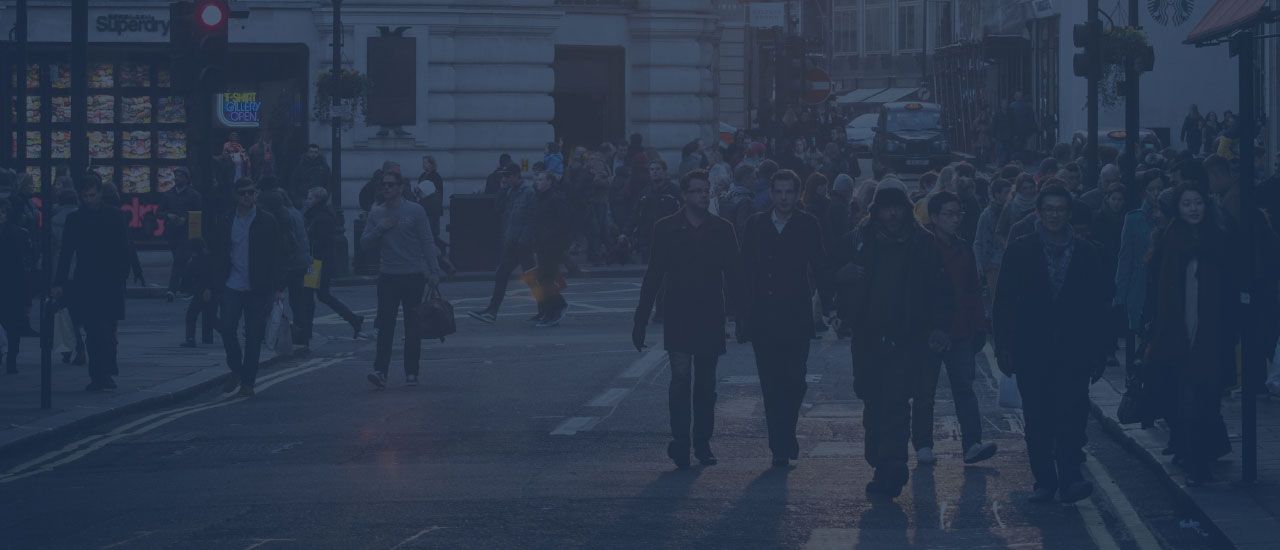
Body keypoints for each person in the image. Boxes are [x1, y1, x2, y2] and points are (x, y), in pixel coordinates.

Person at [828, 183, 952, 498]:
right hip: (867, 335)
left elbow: (939, 288)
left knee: (896, 402)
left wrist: (939, 327)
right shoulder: (859, 239)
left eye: (897, 208)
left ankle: (893, 465)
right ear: (877, 211)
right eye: (886, 208)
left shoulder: (923, 243)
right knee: (872, 397)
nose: (892, 214)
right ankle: (879, 457)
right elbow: (828, 269)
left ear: (907, 210)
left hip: (907, 336)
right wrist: (840, 278)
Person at [993, 185, 1111, 504]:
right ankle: (1044, 480)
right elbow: (1004, 301)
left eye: (1060, 209)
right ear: (1039, 212)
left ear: (1068, 213)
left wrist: (1100, 350)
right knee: (1038, 416)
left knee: (1072, 414)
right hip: (1032, 348)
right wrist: (1003, 345)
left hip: (1075, 350)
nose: (1054, 215)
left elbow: (1099, 305)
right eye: (1049, 209)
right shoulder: (1021, 250)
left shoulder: (1087, 253)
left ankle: (1071, 478)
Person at [633, 169, 746, 469]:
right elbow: (654, 274)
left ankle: (703, 442)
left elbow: (735, 274)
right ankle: (681, 441)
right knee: (680, 379)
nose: (702, 195)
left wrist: (742, 315)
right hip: (679, 313)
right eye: (696, 190)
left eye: (705, 190)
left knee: (706, 384)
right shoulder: (667, 228)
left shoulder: (722, 228)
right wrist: (640, 318)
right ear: (684, 195)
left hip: (710, 313)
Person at [1144, 184, 1235, 485]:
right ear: (1178, 209)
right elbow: (1157, 289)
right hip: (1178, 334)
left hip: (1212, 334)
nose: (1194, 208)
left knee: (1208, 402)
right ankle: (1196, 465)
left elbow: (1230, 288)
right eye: (1187, 203)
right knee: (1187, 401)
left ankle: (1200, 457)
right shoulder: (1171, 239)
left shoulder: (1218, 238)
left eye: (1198, 202)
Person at [739, 169, 824, 468]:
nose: (784, 197)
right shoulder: (756, 224)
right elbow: (744, 270)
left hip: (796, 314)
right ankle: (780, 444)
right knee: (771, 383)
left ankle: (786, 433)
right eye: (779, 191)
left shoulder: (808, 224)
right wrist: (741, 313)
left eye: (789, 192)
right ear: (771, 193)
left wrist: (830, 305)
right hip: (763, 316)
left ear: (797, 194)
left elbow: (820, 264)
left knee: (796, 380)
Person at [913, 192, 999, 466]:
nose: (955, 219)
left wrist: (979, 325)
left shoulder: (963, 249)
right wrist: (925, 329)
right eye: (948, 214)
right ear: (934, 217)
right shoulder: (922, 248)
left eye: (958, 213)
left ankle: (972, 444)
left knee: (964, 389)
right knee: (924, 392)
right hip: (930, 334)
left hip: (961, 331)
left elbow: (973, 290)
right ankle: (923, 445)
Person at [360, 171, 443, 388]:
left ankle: (411, 373)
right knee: (385, 326)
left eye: (390, 184)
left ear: (400, 187)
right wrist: (381, 227)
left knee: (412, 327)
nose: (386, 188)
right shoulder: (376, 213)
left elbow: (427, 241)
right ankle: (380, 371)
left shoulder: (415, 210)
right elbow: (364, 243)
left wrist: (434, 271)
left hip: (413, 276)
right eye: (383, 185)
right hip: (388, 276)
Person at [209, 178, 287, 398]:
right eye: (243, 193)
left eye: (250, 192)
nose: (247, 196)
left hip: (258, 287)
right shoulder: (226, 220)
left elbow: (278, 255)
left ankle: (248, 383)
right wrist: (212, 284)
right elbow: (217, 254)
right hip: (231, 284)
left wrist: (278, 287)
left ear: (256, 194)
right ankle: (236, 368)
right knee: (227, 328)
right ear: (236, 195)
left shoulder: (267, 220)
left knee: (253, 336)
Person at [53, 177, 132, 391]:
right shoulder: (75, 219)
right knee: (94, 330)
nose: (89, 200)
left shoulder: (115, 216)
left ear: (100, 193)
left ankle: (107, 371)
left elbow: (124, 247)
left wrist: (122, 274)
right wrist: (59, 282)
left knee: (108, 331)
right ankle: (98, 375)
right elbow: (66, 253)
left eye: (92, 195)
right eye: (85, 196)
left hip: (110, 280)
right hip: (86, 281)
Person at [469, 164, 536, 324]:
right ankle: (492, 311)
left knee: (532, 277)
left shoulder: (528, 192)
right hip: (511, 242)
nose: (505, 179)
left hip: (523, 243)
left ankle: (549, 308)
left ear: (517, 175)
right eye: (504, 176)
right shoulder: (509, 191)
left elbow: (531, 219)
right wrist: (502, 190)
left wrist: (524, 239)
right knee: (502, 274)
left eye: (508, 176)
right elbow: (498, 209)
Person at [304, 187, 365, 338]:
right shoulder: (316, 215)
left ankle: (353, 319)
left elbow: (321, 241)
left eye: (310, 198)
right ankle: (353, 319)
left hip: (318, 262)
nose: (307, 201)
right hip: (316, 261)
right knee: (313, 295)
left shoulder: (322, 217)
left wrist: (309, 244)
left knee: (318, 295)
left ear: (318, 200)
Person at [258, 190, 310, 348]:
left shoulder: (285, 216)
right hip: (302, 262)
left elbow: (288, 244)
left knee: (274, 299)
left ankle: (272, 334)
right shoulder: (296, 212)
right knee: (299, 302)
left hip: (292, 264)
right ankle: (302, 335)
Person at [529, 171, 572, 327]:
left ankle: (555, 310)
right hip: (542, 245)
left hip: (552, 245)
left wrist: (554, 240)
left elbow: (564, 222)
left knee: (546, 279)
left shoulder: (555, 198)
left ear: (549, 182)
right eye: (537, 180)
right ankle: (552, 309)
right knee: (543, 279)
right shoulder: (540, 198)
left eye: (541, 179)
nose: (537, 182)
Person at [159, 167, 203, 301]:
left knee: (179, 260)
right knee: (181, 262)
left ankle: (171, 290)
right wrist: (168, 215)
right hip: (172, 233)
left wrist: (185, 218)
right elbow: (159, 212)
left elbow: (198, 214)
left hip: (187, 233)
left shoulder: (194, 195)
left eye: (180, 176)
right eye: (176, 175)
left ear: (187, 179)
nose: (177, 178)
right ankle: (189, 288)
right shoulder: (168, 194)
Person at [0, 200, 28, 374]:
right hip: (11, 284)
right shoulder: (17, 232)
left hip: (11, 284)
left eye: (2, 212)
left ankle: (11, 357)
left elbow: (21, 263)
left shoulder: (16, 233)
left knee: (11, 324)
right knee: (10, 324)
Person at [179, 238, 217, 348]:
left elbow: (186, 277)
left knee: (191, 315)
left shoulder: (195, 261)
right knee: (211, 318)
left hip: (201, 292)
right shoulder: (209, 258)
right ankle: (214, 336)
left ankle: (190, 339)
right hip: (210, 291)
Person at [416, 155, 445, 242]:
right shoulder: (422, 175)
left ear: (431, 164)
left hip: (432, 209)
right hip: (423, 207)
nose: (423, 164)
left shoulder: (436, 177)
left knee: (431, 233)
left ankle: (441, 246)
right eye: (423, 163)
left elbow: (435, 193)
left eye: (425, 163)